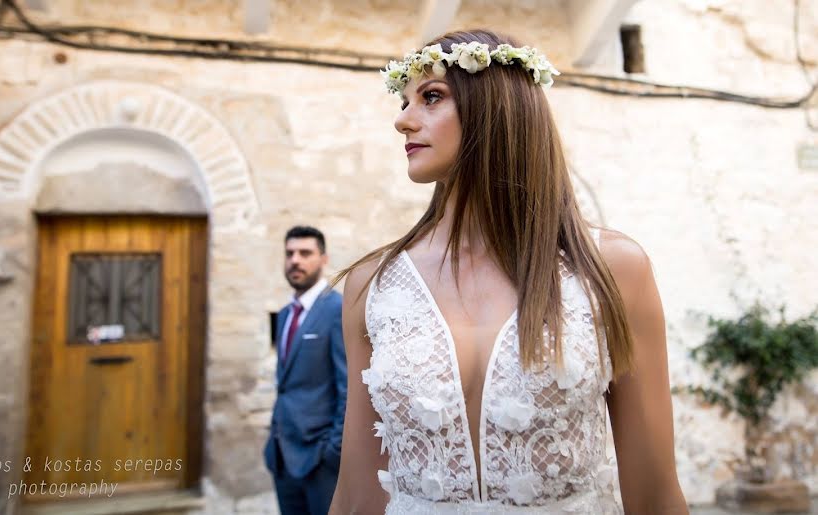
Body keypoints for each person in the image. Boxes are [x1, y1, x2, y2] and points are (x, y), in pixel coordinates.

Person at [328, 29, 688, 514]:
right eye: (405, 101)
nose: (402, 120)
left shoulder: (614, 269)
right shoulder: (373, 285)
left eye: (430, 97)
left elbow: (655, 495)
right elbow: (357, 494)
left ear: (495, 108)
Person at [264, 226, 347, 515]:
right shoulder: (285, 313)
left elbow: (347, 387)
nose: (295, 260)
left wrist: (332, 452)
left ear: (323, 259)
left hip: (318, 460)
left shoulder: (337, 309)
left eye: (305, 253)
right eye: (289, 253)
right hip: (282, 457)